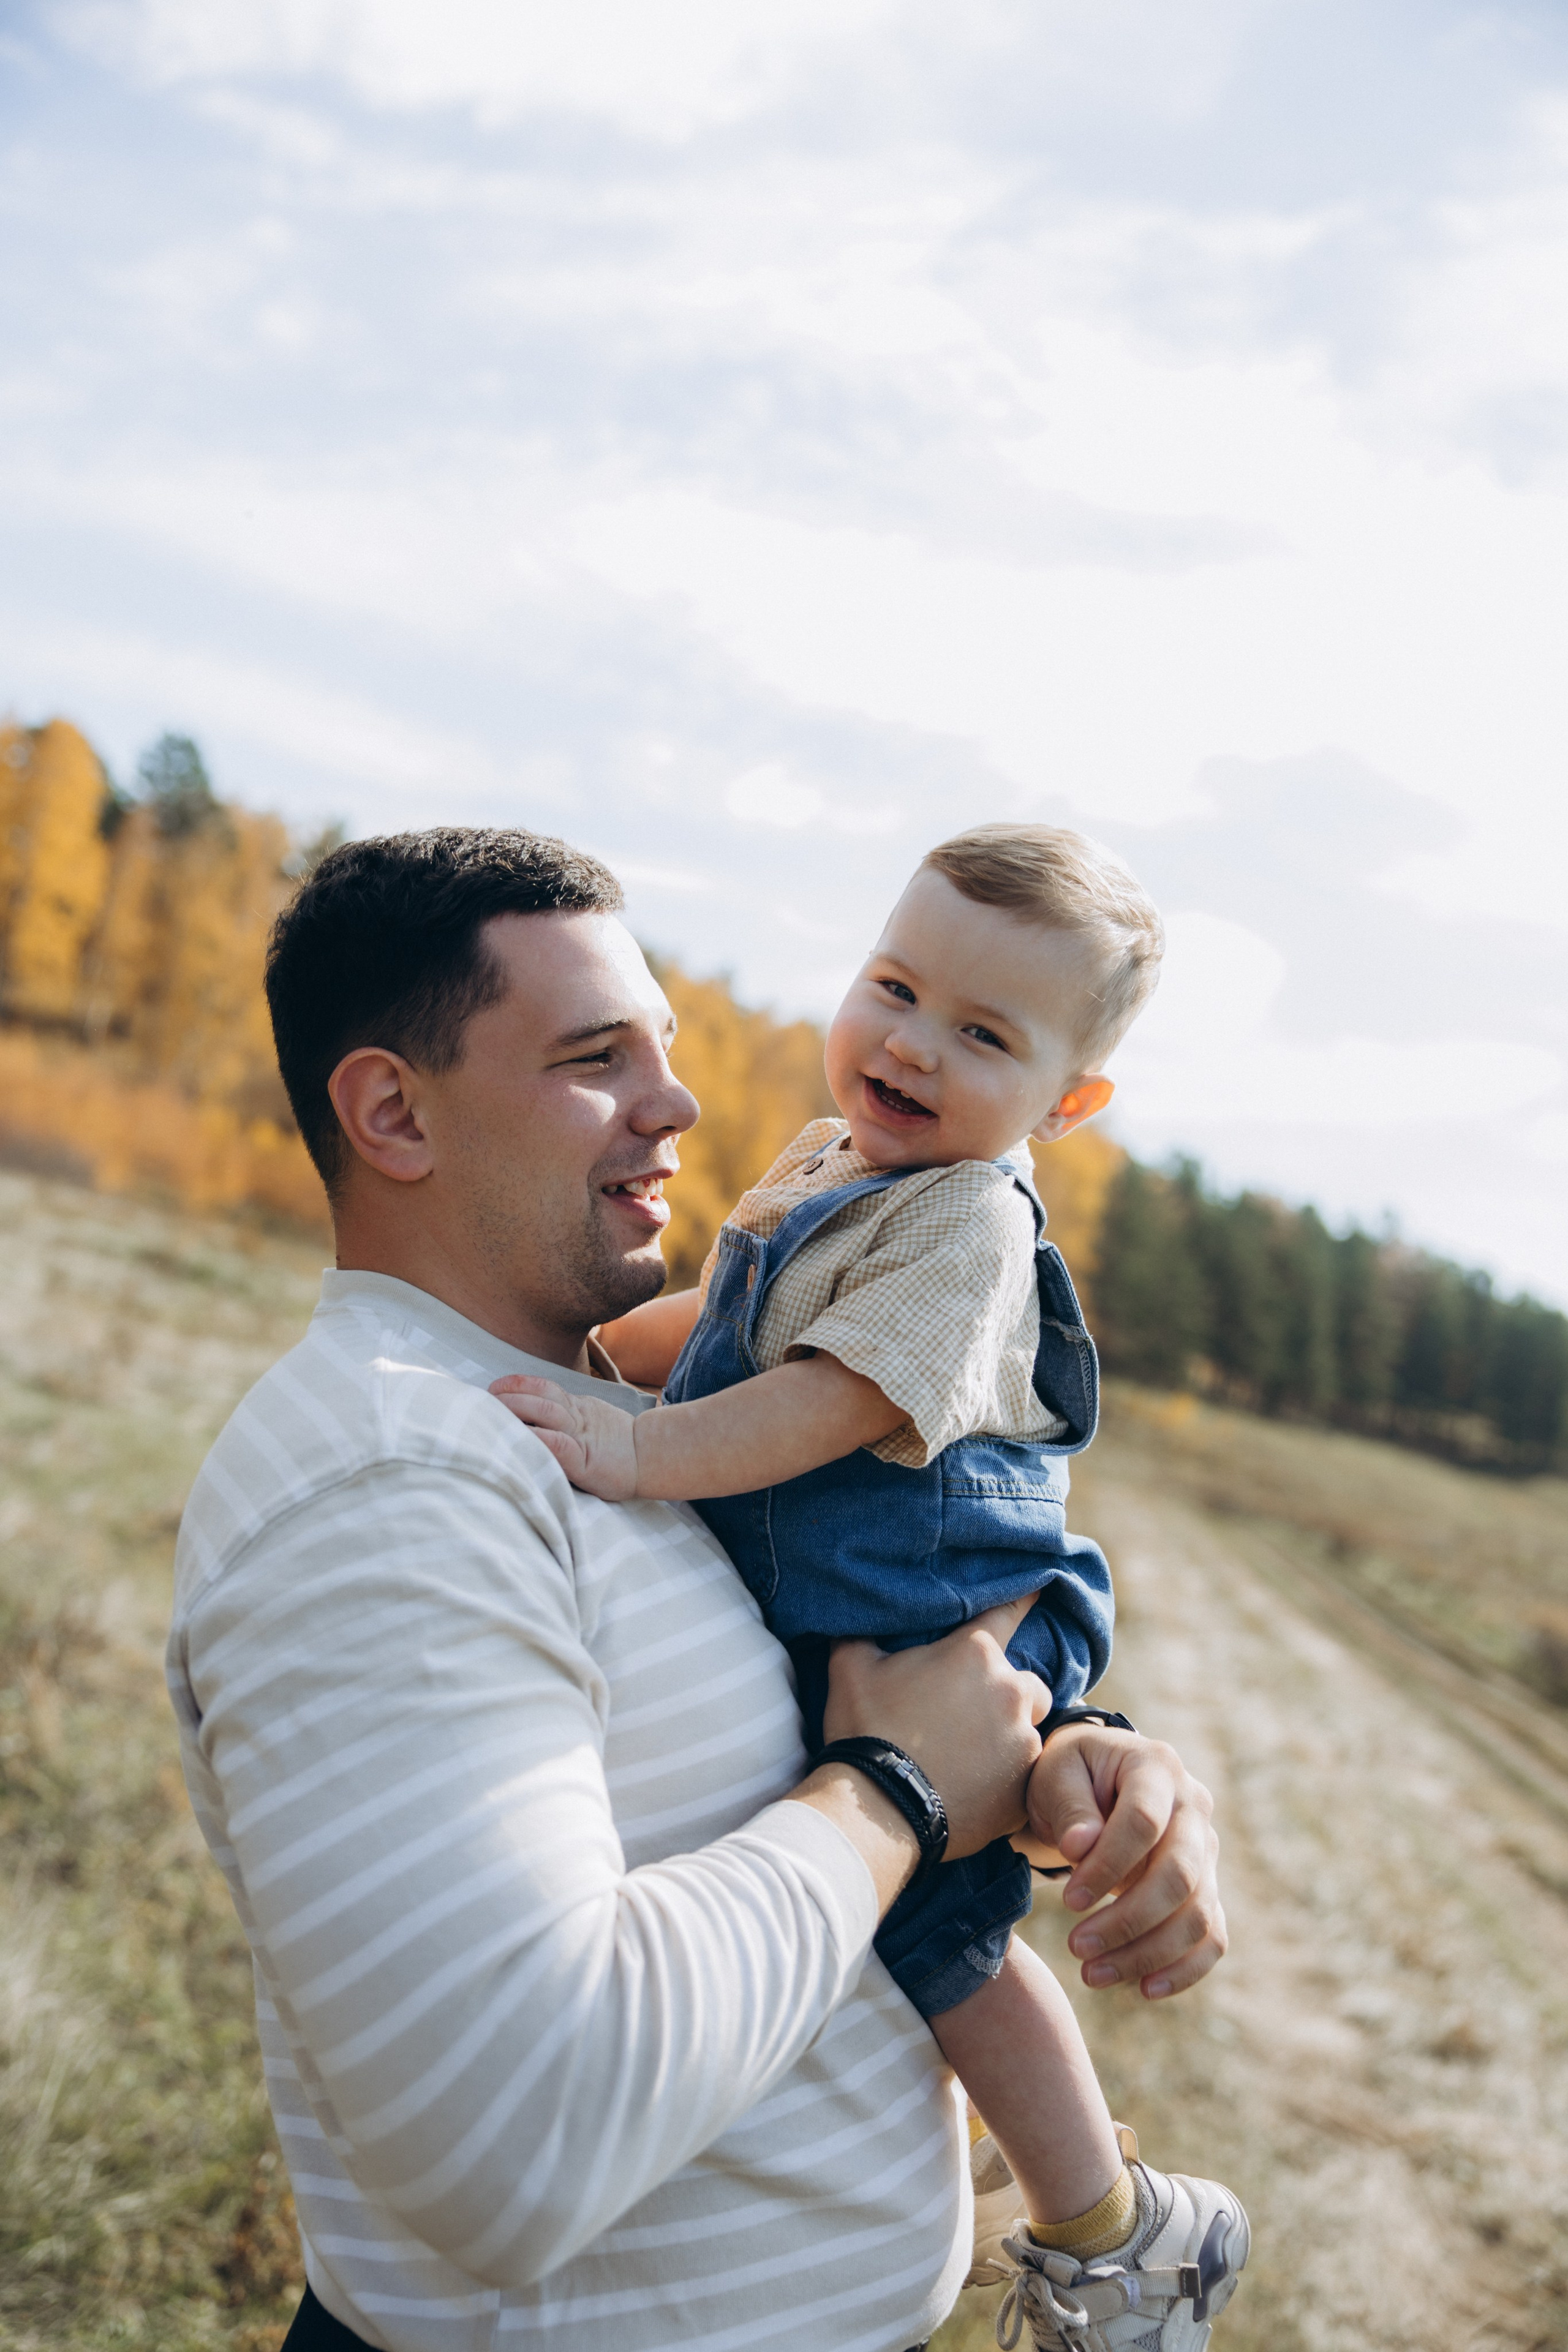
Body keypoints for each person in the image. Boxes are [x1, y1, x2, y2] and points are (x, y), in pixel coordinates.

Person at [168, 826, 1231, 2352]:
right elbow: (511, 2147)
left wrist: (1062, 1744)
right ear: (393, 1111)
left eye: (663, 1045)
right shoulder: (394, 1484)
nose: (676, 1104)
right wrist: (894, 1791)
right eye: (596, 1056)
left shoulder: (604, 1434)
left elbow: (808, 1667)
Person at [492, 824, 1248, 2348]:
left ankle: (1112, 2228)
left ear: (1066, 1099)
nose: (909, 1045)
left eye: (981, 1034)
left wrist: (636, 1458)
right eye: (894, 987)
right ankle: (957, 2160)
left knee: (941, 1936)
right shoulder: (836, 1157)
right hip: (839, 1586)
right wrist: (581, 1367)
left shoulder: (969, 1219)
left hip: (920, 1593)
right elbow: (731, 1317)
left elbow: (828, 1398)